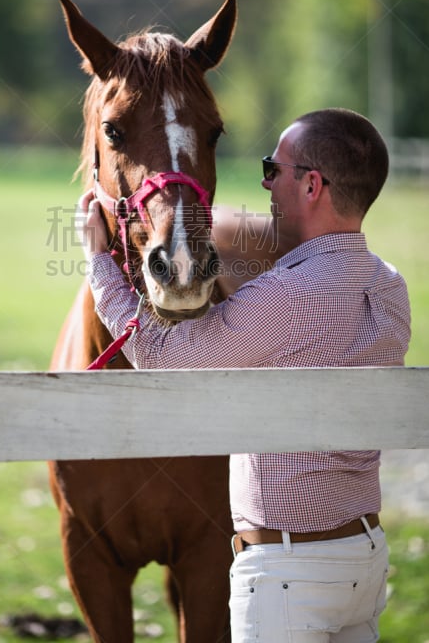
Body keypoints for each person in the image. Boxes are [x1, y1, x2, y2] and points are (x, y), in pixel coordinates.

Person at [76, 107, 411, 643]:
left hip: (288, 571)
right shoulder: (391, 287)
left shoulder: (287, 294)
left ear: (311, 186)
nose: (264, 183)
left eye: (273, 170)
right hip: (364, 555)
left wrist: (99, 261)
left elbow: (163, 357)